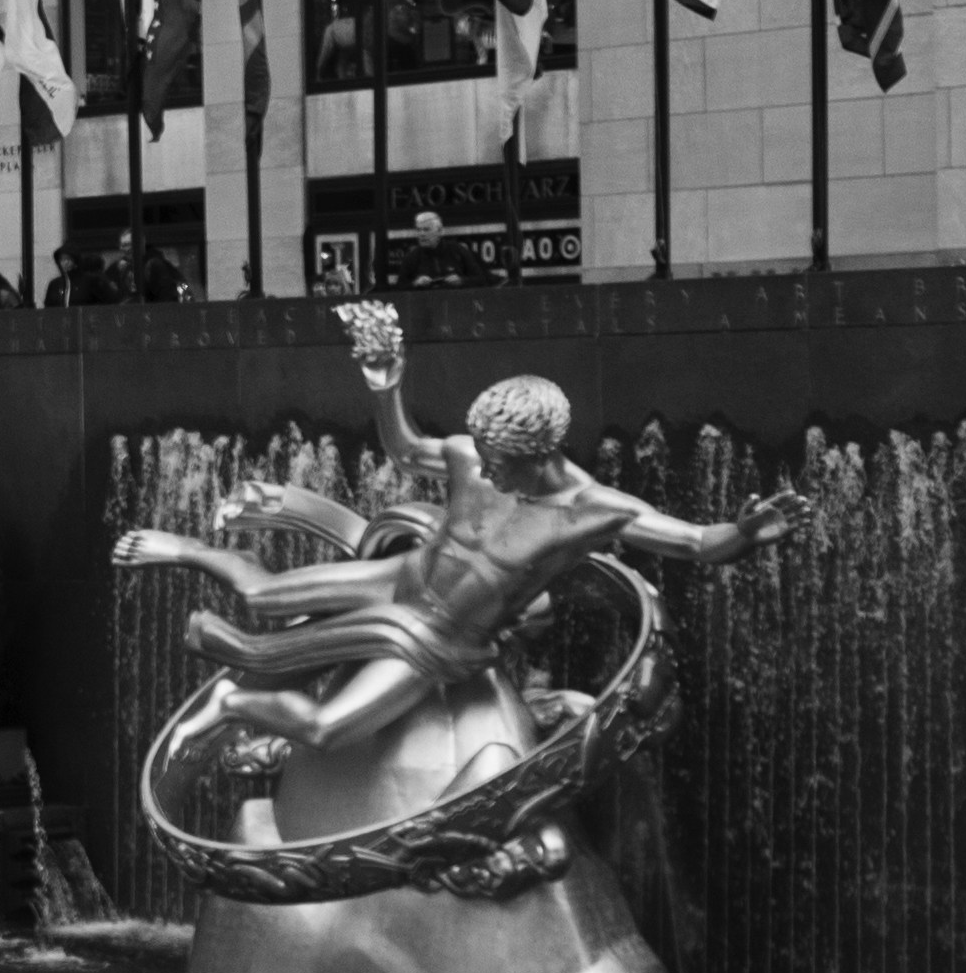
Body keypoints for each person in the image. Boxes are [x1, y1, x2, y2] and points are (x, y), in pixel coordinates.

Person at [118, 302, 807, 774]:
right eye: (481, 451)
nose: (483, 465)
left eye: (499, 458)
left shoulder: (597, 510)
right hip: (402, 577)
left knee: (328, 729)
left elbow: (690, 543)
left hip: (442, 638)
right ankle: (199, 550)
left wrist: (745, 535)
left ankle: (233, 707)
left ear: (541, 452)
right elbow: (404, 447)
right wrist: (385, 386)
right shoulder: (471, 456)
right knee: (265, 597)